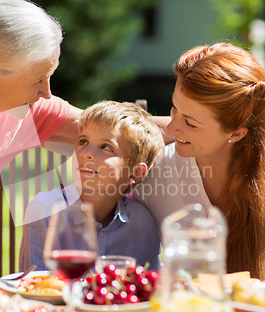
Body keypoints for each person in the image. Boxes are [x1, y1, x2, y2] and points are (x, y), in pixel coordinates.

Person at [0, 0, 171, 283]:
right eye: (38, 79)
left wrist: (201, 124)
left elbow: (118, 129)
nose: (46, 92)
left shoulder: (29, 113)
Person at [132, 42, 265, 281]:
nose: (172, 128)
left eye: (191, 123)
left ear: (236, 133)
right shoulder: (158, 171)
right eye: (174, 109)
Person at [19, 101, 164, 271]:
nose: (86, 153)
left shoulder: (141, 221)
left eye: (105, 147)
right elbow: (36, 288)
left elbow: (151, 285)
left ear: (134, 173)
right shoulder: (46, 209)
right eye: (83, 142)